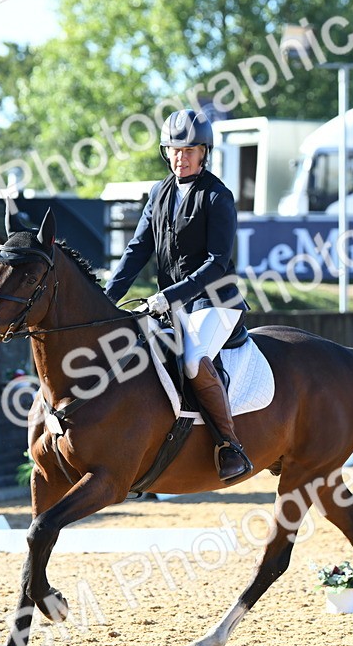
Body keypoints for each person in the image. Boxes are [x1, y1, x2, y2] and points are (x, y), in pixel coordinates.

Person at [104, 108, 253, 483]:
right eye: (173, 149)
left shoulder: (218, 196)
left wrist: (168, 296)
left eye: (188, 150)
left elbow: (217, 263)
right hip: (172, 306)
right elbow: (137, 250)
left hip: (215, 301)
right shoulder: (159, 192)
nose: (180, 157)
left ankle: (229, 446)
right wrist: (107, 298)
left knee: (192, 360)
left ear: (204, 152)